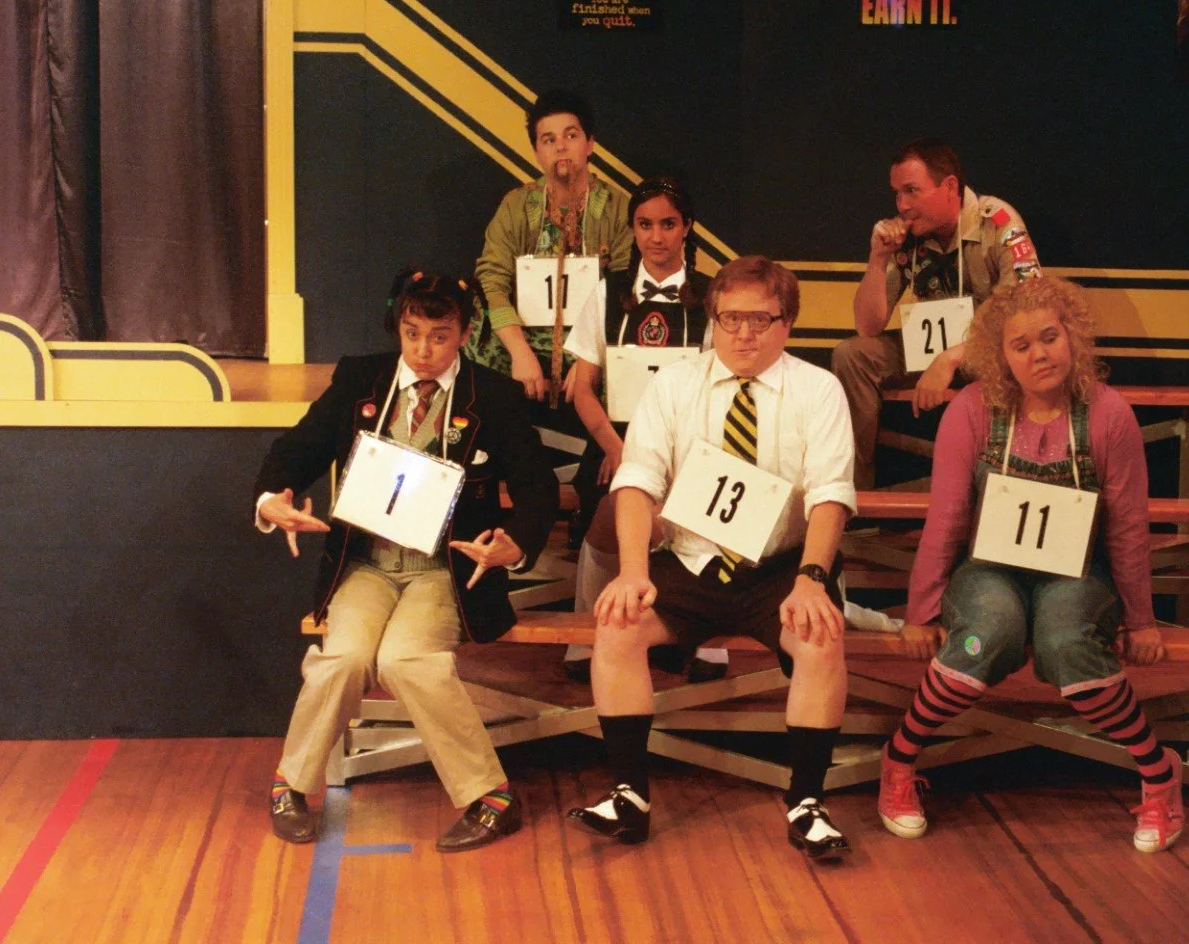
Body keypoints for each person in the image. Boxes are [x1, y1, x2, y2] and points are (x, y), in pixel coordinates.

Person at [874, 274, 1182, 852]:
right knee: (983, 636)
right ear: (1000, 357)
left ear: (1074, 338)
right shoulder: (970, 411)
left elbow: (1127, 526)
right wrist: (920, 610)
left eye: (1049, 337)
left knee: (1067, 641)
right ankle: (899, 759)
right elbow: (945, 518)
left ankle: (1159, 774)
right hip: (988, 570)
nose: (1040, 353)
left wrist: (1142, 620)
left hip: (1077, 574)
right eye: (1022, 345)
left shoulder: (1109, 415)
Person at [255, 270, 559, 852]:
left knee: (407, 660)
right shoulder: (360, 378)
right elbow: (294, 450)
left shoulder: (491, 394)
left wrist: (514, 544)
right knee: (343, 657)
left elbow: (538, 488)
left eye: (439, 336)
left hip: (444, 571)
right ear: (397, 327)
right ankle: (290, 785)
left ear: (465, 334)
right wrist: (274, 501)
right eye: (412, 333)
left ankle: (491, 797)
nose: (423, 350)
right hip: (367, 564)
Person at [566, 255, 859, 860]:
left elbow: (831, 494)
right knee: (616, 623)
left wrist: (812, 578)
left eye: (760, 319)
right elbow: (637, 484)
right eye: (730, 319)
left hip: (780, 566)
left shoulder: (819, 389)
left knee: (821, 634)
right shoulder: (674, 384)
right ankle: (629, 794)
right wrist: (632, 572)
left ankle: (807, 804)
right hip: (691, 560)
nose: (743, 333)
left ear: (788, 323)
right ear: (712, 321)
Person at [560, 177, 728, 683]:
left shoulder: (712, 298)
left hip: (690, 446)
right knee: (608, 515)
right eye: (645, 225)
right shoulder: (607, 293)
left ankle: (705, 639)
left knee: (705, 511)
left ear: (687, 228)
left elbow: (717, 391)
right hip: (615, 442)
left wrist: (680, 459)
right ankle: (586, 636)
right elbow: (582, 388)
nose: (656, 236)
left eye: (668, 224)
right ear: (632, 229)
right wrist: (617, 448)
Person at [832, 139, 1040, 489]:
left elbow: (1025, 310)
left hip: (991, 354)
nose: (903, 205)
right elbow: (867, 326)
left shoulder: (997, 221)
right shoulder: (907, 235)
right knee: (852, 355)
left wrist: (952, 359)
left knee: (1021, 350)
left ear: (950, 187)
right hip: (930, 351)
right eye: (897, 194)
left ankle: (1003, 489)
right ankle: (855, 494)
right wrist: (878, 258)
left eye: (912, 191)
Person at [467, 89, 632, 401]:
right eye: (548, 139)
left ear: (590, 144)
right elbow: (492, 279)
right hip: (521, 341)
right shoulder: (516, 206)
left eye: (571, 135)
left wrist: (589, 360)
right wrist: (519, 352)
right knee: (477, 325)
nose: (561, 147)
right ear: (536, 152)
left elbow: (624, 288)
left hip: (593, 344)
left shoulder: (617, 208)